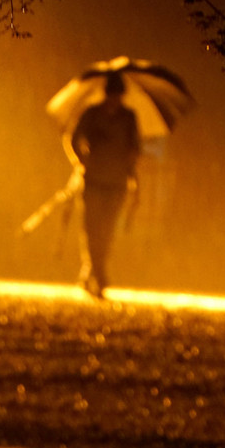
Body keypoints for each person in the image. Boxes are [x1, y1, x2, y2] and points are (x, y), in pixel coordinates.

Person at [63, 72, 140, 299]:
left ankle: (90, 274)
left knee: (105, 232)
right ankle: (100, 274)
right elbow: (73, 137)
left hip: (117, 182)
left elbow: (135, 145)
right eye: (112, 95)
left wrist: (131, 161)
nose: (115, 100)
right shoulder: (92, 114)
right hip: (93, 179)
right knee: (91, 228)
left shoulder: (129, 117)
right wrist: (80, 160)